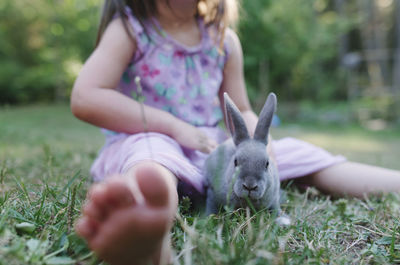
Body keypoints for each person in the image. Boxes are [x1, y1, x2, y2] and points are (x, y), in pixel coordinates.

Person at [70, 0, 400, 264]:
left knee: (294, 152)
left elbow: (241, 107)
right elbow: (86, 96)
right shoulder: (131, 28)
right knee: (154, 159)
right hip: (149, 138)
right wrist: (173, 127)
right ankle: (147, 232)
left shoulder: (222, 38)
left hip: (214, 151)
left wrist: (259, 139)